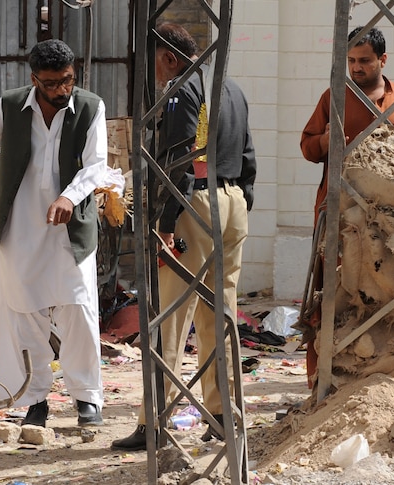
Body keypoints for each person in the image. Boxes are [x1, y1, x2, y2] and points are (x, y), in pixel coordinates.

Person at [111, 22, 256, 451]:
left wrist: (166, 221)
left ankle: (155, 422)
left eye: (155, 62)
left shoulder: (182, 88)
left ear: (170, 58)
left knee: (169, 314)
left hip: (195, 205)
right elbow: (248, 154)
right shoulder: (230, 88)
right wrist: (241, 200)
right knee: (221, 314)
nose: (154, 74)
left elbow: (180, 157)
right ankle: (222, 415)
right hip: (231, 205)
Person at [0, 39, 108, 428]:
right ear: (34, 80)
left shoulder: (91, 107)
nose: (63, 89)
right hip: (20, 225)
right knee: (22, 313)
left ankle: (86, 398)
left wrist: (69, 196)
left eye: (68, 80)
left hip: (70, 229)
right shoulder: (10, 107)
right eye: (52, 83)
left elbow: (96, 167)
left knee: (78, 309)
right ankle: (34, 400)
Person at [299, 25, 394, 386]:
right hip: (343, 214)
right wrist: (327, 139)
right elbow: (307, 148)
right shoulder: (334, 96)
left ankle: (392, 373)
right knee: (333, 289)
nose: (356, 68)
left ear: (382, 60)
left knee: (392, 287)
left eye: (364, 60)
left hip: (393, 220)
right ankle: (321, 374)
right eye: (351, 61)